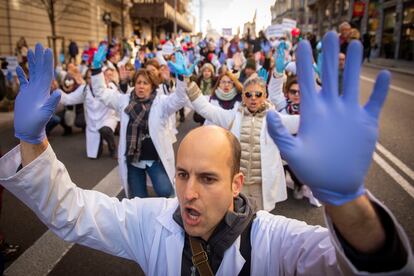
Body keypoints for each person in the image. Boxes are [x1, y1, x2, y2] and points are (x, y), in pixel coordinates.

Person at [2, 34, 413, 275]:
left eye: (208, 178)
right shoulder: (150, 222)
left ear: (236, 184)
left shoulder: (273, 242)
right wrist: (32, 140)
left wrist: (347, 201)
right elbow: (70, 213)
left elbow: (345, 265)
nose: (189, 193)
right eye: (182, 174)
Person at [186, 74, 299, 210]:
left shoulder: (275, 120)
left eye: (258, 94)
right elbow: (206, 109)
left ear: (264, 96)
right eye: (248, 94)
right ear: (243, 97)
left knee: (258, 222)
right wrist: (187, 80)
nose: (253, 98)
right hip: (237, 184)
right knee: (236, 220)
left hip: (261, 186)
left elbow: (302, 122)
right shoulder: (232, 116)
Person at [91, 45, 190, 198]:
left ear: (152, 86)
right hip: (133, 160)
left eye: (145, 83)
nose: (141, 86)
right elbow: (100, 92)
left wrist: (181, 77)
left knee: (165, 191)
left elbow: (180, 99)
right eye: (138, 82)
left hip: (154, 158)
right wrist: (96, 69)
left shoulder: (161, 103)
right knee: (138, 200)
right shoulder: (123, 100)